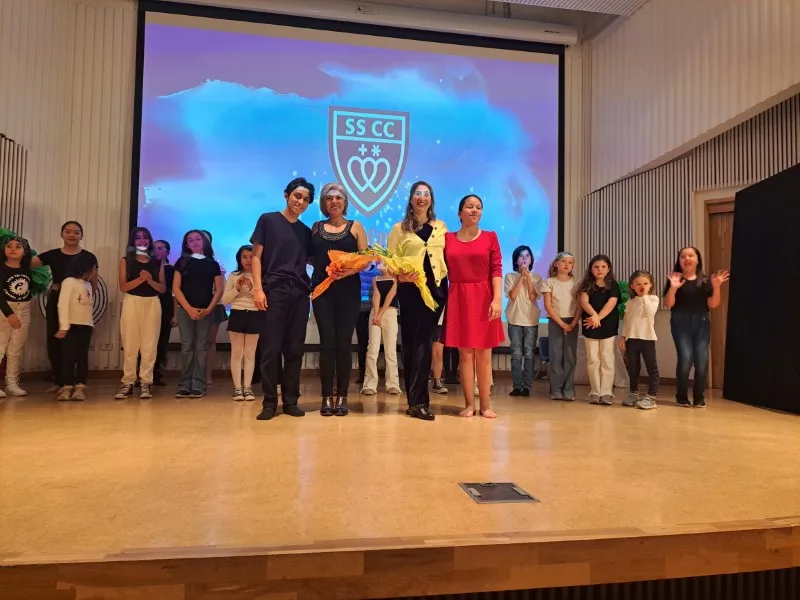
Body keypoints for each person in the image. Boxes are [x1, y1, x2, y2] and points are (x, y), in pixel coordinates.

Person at [251, 177, 315, 421]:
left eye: (306, 199)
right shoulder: (268, 220)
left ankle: (290, 401)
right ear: (286, 195)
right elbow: (256, 257)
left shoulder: (306, 232)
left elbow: (313, 261)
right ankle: (269, 402)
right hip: (273, 290)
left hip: (299, 293)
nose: (301, 202)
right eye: (297, 196)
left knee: (294, 349)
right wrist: (258, 289)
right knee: (270, 348)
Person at [387, 181, 448, 421]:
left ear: (431, 199)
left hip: (436, 291)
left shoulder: (440, 227)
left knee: (423, 341)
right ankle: (415, 401)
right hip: (410, 291)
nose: (422, 197)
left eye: (426, 194)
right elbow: (389, 261)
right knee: (411, 343)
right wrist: (400, 276)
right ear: (411, 199)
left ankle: (419, 401)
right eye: (418, 194)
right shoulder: (399, 229)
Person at [441, 194, 503, 418]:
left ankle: (485, 405)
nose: (474, 210)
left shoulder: (490, 237)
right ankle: (469, 404)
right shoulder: (447, 239)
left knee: (484, 354)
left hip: (484, 297)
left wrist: (497, 299)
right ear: (460, 213)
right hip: (458, 297)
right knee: (465, 354)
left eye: (478, 207)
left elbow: (496, 270)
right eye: (469, 207)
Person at [311, 183, 368, 416]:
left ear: (345, 202)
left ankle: (342, 396)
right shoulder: (316, 227)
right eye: (329, 198)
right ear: (324, 203)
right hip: (322, 291)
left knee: (344, 343)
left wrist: (349, 270)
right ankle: (326, 396)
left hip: (348, 292)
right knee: (327, 344)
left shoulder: (356, 227)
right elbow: (310, 257)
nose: (334, 201)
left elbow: (365, 259)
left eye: (338, 198)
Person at [31, 221, 98, 393]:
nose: (72, 235)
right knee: (55, 341)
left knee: (78, 345)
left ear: (81, 235)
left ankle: (77, 382)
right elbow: (26, 265)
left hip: (79, 302)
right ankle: (60, 381)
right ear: (61, 234)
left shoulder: (89, 257)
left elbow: (93, 283)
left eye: (76, 232)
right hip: (56, 300)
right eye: (68, 231)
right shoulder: (52, 254)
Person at [664, 246, 729, 408]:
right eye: (683, 256)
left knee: (702, 360)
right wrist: (673, 288)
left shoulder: (706, 281)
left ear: (698, 259)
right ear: (679, 261)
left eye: (691, 255)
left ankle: (699, 397)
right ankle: (681, 396)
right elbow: (669, 304)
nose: (687, 259)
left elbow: (713, 304)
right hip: (680, 322)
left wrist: (716, 287)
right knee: (685, 358)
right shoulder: (675, 279)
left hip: (701, 323)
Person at [115, 227, 165, 400]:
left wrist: (149, 280)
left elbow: (162, 288)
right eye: (138, 238)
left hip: (152, 303)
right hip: (132, 301)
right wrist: (140, 279)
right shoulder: (126, 261)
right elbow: (123, 287)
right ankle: (128, 382)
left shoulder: (157, 262)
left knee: (149, 346)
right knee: (130, 344)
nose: (142, 240)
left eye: (145, 237)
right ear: (132, 241)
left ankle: (146, 382)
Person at [172, 230, 224, 398]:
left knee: (202, 347)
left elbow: (219, 289)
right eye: (190, 240)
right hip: (185, 310)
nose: (194, 242)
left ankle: (199, 385)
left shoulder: (212, 264)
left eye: (197, 239)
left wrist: (209, 309)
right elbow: (176, 288)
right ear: (186, 244)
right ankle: (184, 384)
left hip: (206, 311)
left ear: (204, 241)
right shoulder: (182, 262)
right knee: (187, 346)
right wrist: (188, 308)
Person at [579, 254, 621, 405]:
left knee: (607, 358)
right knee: (593, 360)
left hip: (608, 325)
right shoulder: (586, 284)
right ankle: (595, 392)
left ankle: (606, 392)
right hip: (590, 324)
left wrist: (598, 318)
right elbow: (584, 302)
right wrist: (594, 316)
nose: (599, 269)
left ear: (608, 268)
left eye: (603, 267)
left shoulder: (613, 285)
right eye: (596, 267)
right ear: (591, 269)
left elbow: (611, 303)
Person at [54, 253, 97, 401]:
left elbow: (88, 307)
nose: (94, 271)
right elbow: (62, 304)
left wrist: (91, 323)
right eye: (93, 268)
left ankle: (80, 387)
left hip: (85, 326)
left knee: (82, 357)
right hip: (71, 326)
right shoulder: (69, 282)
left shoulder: (87, 285)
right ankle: (66, 387)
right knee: (68, 357)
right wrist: (64, 326)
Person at [221, 245, 259, 401]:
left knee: (250, 354)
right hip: (237, 313)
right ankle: (237, 388)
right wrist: (237, 288)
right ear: (239, 259)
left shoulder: (260, 275)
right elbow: (225, 300)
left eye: (251, 257)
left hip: (255, 314)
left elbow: (264, 299)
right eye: (244, 257)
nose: (248, 260)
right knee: (236, 353)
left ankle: (248, 388)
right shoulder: (233, 275)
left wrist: (252, 288)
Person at [504, 245, 542, 397]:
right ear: (516, 260)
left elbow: (533, 296)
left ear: (531, 259)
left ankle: (527, 386)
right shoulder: (510, 276)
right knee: (516, 353)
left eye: (527, 255)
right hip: (514, 319)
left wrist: (528, 278)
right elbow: (513, 295)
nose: (524, 258)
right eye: (521, 256)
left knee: (529, 353)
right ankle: (517, 386)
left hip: (530, 320)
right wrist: (521, 277)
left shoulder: (537, 278)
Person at [541, 251, 580, 400]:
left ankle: (568, 389)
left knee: (570, 356)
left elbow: (580, 305)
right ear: (556, 264)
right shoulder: (549, 282)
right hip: (556, 321)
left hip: (572, 321)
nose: (567, 265)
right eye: (564, 261)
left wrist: (573, 323)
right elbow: (548, 306)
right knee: (556, 355)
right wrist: (562, 324)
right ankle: (556, 389)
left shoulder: (576, 284)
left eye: (570, 263)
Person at [620, 270, 659, 410]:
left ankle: (651, 397)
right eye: (638, 284)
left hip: (647, 338)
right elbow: (627, 321)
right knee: (633, 368)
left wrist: (644, 296)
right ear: (632, 286)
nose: (642, 286)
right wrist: (623, 337)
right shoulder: (630, 302)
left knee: (651, 368)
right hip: (632, 339)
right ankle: (633, 394)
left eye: (645, 283)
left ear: (651, 285)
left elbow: (650, 312)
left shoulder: (653, 299)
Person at [0, 236, 33, 397]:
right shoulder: (1, 269)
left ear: (24, 251)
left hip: (24, 310)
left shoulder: (26, 269)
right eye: (9, 246)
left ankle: (12, 383)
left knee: (15, 349)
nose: (13, 249)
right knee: (0, 347)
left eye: (18, 246)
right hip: (4, 310)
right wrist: (9, 314)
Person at [361, 262, 400, 396]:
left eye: (382, 261)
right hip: (376, 314)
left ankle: (393, 384)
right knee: (372, 349)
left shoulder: (396, 279)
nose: (379, 264)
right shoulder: (375, 279)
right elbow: (376, 295)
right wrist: (376, 314)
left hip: (390, 313)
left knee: (390, 351)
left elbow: (390, 296)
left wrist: (381, 314)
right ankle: (369, 384)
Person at [200, 230, 227, 386]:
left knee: (210, 340)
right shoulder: (187, 260)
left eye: (204, 239)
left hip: (214, 304)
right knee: (194, 342)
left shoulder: (217, 261)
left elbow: (220, 287)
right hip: (193, 305)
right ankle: (193, 375)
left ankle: (207, 375)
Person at [153, 240, 176, 385]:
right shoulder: (147, 267)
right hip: (148, 306)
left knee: (161, 342)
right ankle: (140, 373)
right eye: (154, 248)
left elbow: (174, 293)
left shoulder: (172, 270)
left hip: (165, 308)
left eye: (160, 248)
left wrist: (175, 314)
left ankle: (156, 374)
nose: (157, 251)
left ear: (167, 252)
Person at [355, 265, 380, 385]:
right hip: (359, 311)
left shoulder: (378, 272)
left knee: (373, 343)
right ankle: (362, 373)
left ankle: (372, 374)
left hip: (374, 311)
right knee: (362, 343)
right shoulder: (356, 272)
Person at [430, 311, 448, 395]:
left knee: (438, 352)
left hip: (439, 319)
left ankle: (437, 382)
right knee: (420, 350)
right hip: (421, 317)